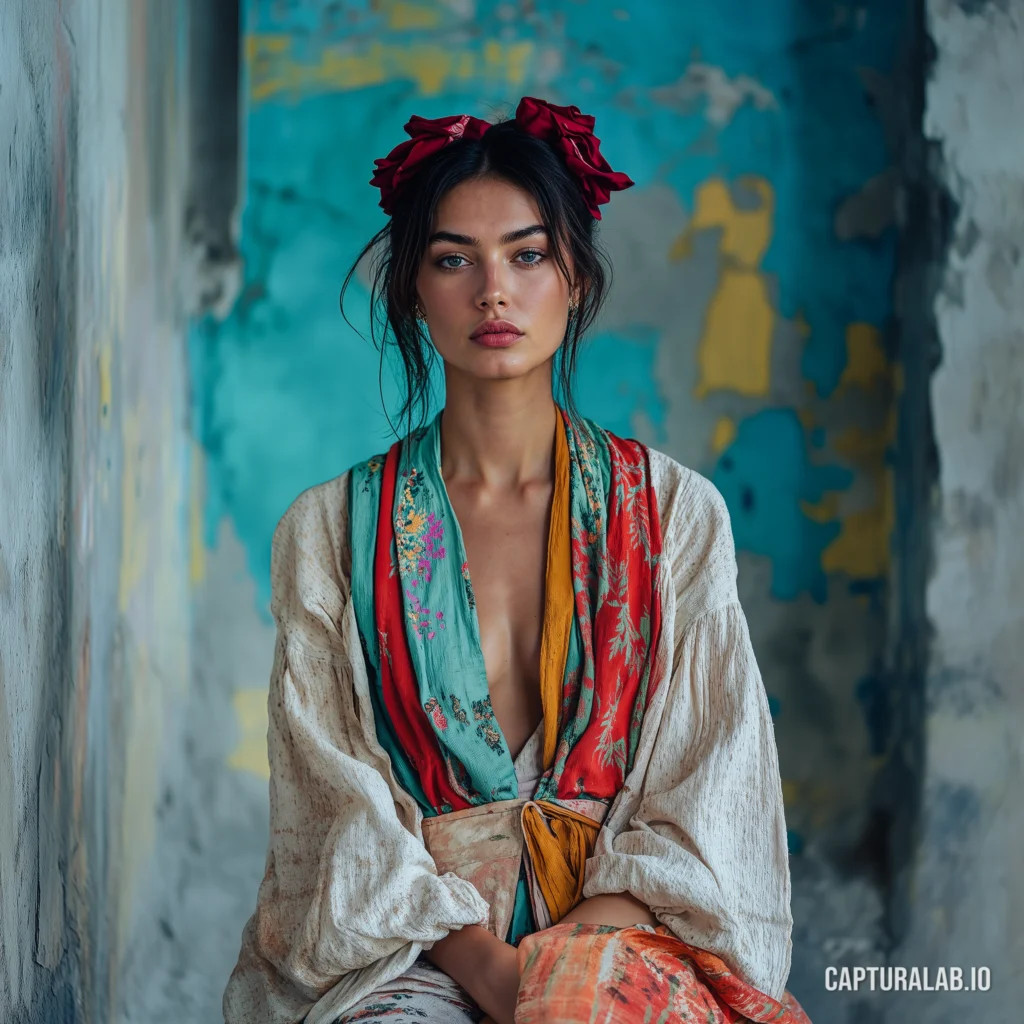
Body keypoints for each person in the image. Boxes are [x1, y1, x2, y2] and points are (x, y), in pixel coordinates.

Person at [223, 97, 811, 1024]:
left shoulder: (673, 515)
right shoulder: (331, 529)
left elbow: (707, 792)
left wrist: (564, 975)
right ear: (414, 289)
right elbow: (339, 813)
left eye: (527, 254)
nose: (492, 290)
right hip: (414, 957)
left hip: (622, 939)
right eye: (454, 259)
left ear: (574, 275)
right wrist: (500, 978)